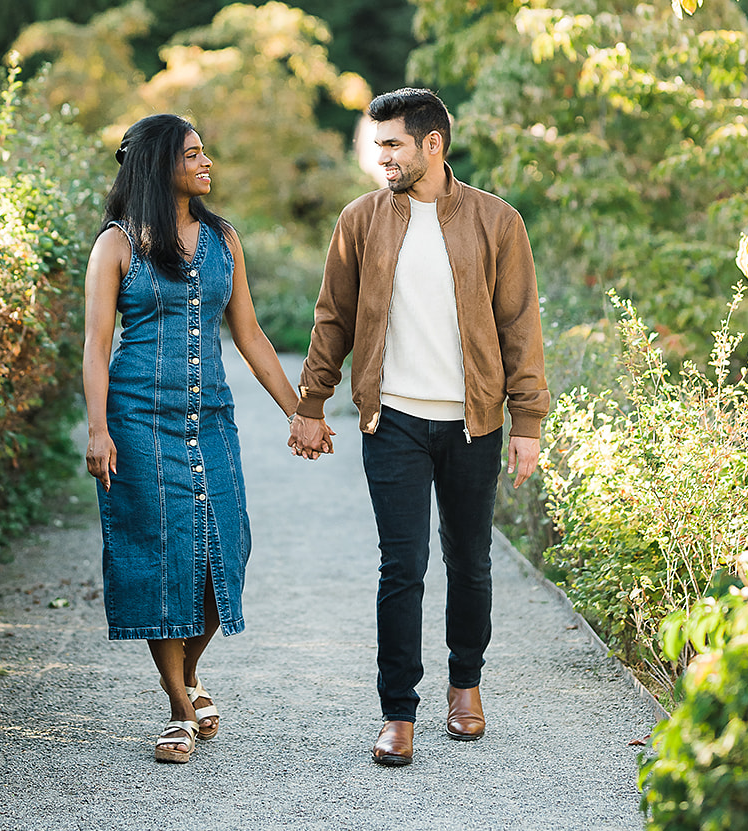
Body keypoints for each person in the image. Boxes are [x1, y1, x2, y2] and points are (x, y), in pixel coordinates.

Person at [286, 87, 550, 767]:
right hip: (392, 418)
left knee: (470, 561)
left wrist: (528, 420)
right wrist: (310, 405)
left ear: (433, 143)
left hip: (473, 421)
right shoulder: (361, 221)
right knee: (401, 567)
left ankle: (466, 688)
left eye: (394, 145)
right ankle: (397, 713)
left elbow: (520, 326)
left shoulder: (497, 221)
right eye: (378, 148)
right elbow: (332, 318)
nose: (384, 160)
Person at [83, 113, 332, 764]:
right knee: (160, 559)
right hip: (137, 421)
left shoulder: (224, 239)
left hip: (210, 420)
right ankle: (178, 709)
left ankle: (189, 677)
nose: (206, 162)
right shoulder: (116, 245)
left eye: (205, 152)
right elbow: (95, 345)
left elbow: (249, 335)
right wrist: (98, 429)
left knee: (226, 552)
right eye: (192, 154)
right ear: (160, 164)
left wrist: (299, 411)